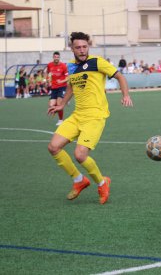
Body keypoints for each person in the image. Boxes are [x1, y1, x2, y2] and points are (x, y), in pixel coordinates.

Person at [47, 32, 133, 205]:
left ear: (88, 47)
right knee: (53, 147)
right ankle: (79, 180)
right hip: (77, 115)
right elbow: (71, 87)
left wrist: (125, 95)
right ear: (71, 48)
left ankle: (102, 183)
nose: (82, 50)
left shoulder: (97, 62)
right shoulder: (71, 66)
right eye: (78, 47)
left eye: (84, 46)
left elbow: (119, 76)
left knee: (80, 155)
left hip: (95, 116)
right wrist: (62, 104)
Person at [46, 51, 68, 126]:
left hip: (62, 87)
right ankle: (65, 100)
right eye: (55, 57)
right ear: (53, 57)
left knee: (59, 103)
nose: (56, 58)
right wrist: (48, 80)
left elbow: (68, 78)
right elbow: (48, 74)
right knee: (51, 105)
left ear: (59, 58)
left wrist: (61, 81)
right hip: (53, 87)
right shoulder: (49, 65)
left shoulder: (63, 66)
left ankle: (61, 120)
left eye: (58, 57)